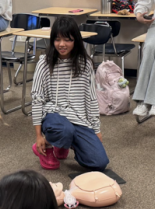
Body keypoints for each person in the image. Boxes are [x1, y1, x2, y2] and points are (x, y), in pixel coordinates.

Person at [32, 17, 109, 171]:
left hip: (79, 119)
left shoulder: (85, 64)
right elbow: (37, 99)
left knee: (99, 162)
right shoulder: (44, 63)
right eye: (57, 39)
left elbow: (91, 99)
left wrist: (96, 130)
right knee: (64, 130)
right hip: (54, 116)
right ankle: (48, 146)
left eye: (67, 40)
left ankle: (64, 143)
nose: (62, 44)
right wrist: (39, 136)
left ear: (75, 41)